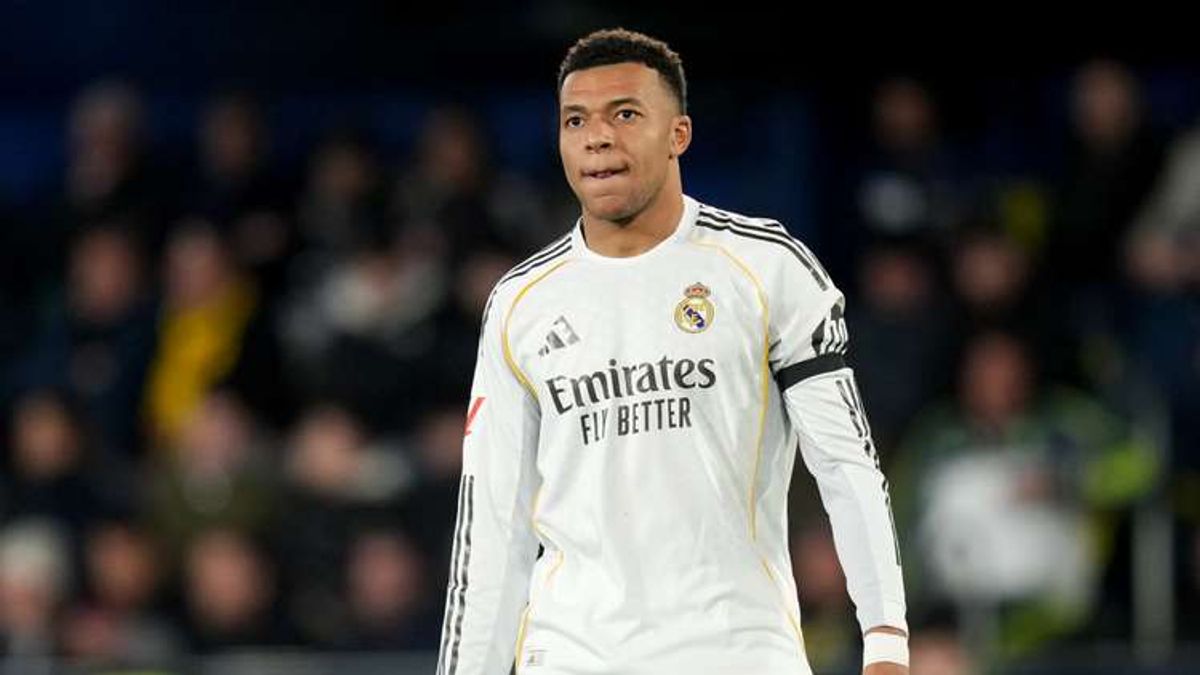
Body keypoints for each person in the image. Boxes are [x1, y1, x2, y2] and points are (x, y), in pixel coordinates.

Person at [436, 28, 907, 675]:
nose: (597, 137)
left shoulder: (766, 268)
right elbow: (493, 524)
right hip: (573, 655)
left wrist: (885, 639)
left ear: (678, 133)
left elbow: (846, 463)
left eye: (625, 114)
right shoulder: (520, 303)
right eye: (576, 120)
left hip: (737, 652)